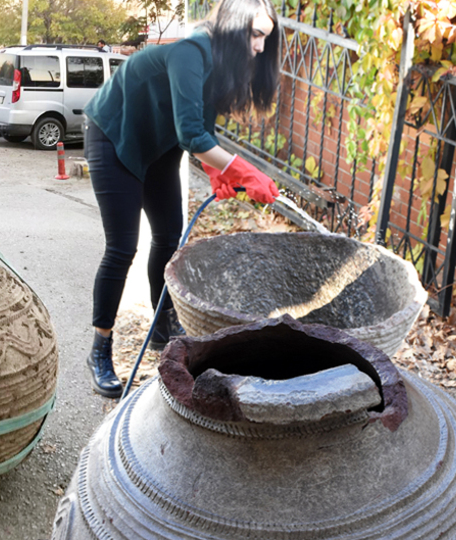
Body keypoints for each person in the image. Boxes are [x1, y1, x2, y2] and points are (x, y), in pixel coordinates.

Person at [82, 0, 282, 398]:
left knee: (169, 239)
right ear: (232, 27)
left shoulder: (218, 64)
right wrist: (243, 171)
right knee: (122, 247)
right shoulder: (191, 53)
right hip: (113, 136)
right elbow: (192, 135)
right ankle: (100, 348)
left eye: (266, 37)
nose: (260, 47)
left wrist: (217, 171)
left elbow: (200, 126)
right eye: (256, 34)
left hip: (158, 147)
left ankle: (162, 328)